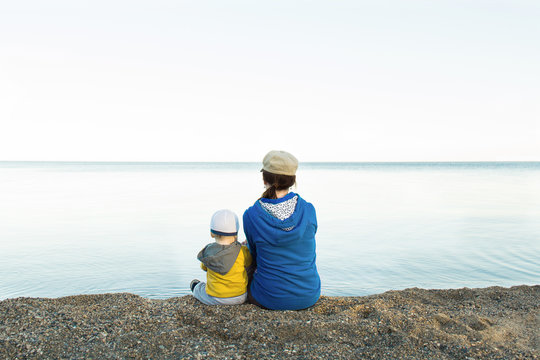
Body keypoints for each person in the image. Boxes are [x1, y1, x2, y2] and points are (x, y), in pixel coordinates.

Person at [243, 150, 321, 310]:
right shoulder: (308, 210)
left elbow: (254, 256)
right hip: (309, 295)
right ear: (292, 180)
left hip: (267, 298)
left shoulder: (251, 215)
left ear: (264, 179)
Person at [190, 209, 252, 305]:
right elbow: (249, 262)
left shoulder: (207, 251)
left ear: (211, 233)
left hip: (215, 298)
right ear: (236, 233)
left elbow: (204, 267)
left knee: (197, 286)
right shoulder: (242, 251)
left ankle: (195, 286)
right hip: (241, 296)